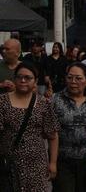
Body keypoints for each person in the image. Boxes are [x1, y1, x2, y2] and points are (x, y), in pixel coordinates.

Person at [0, 63, 59, 191]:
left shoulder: (43, 103)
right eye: (19, 77)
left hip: (36, 166)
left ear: (35, 81)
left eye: (28, 78)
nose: (23, 80)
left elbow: (52, 135)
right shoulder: (2, 102)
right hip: (8, 165)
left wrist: (53, 163)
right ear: (14, 79)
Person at [52, 62, 86, 192]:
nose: (73, 82)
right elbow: (50, 131)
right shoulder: (55, 99)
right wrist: (52, 162)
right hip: (63, 160)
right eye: (70, 77)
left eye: (78, 78)